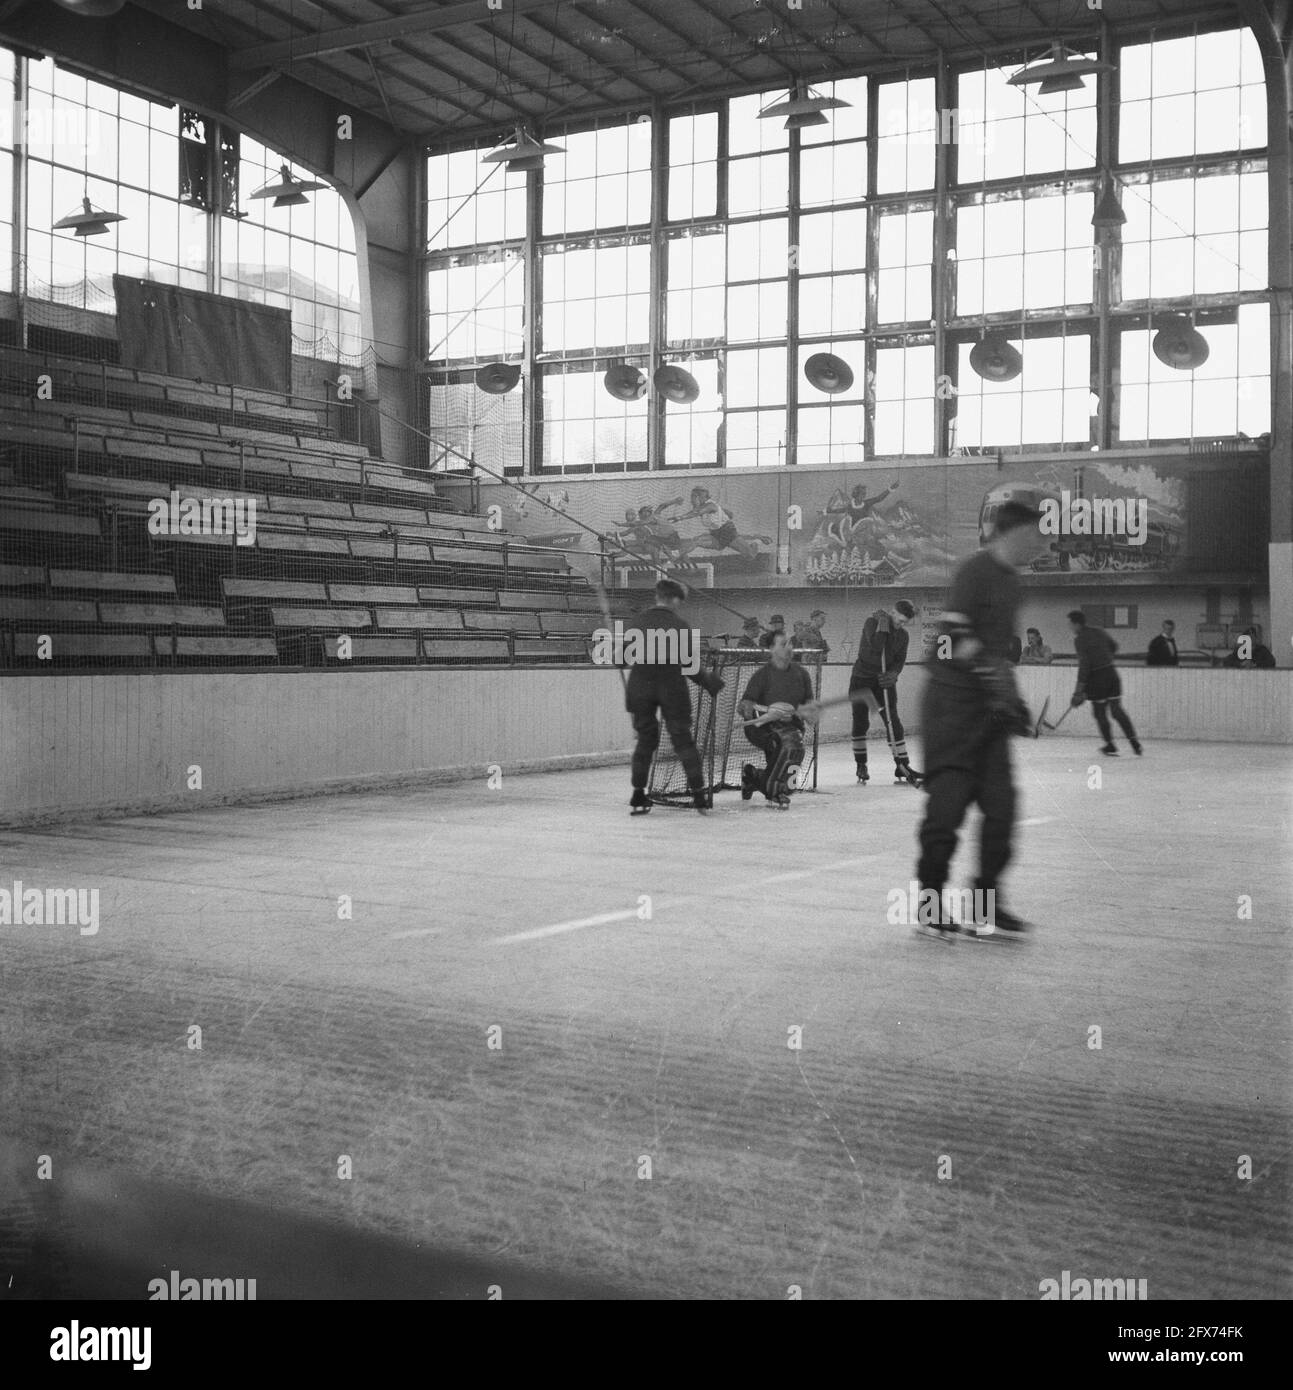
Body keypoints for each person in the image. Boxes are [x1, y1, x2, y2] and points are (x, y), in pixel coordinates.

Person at [915, 501, 1047, 941]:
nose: (1043, 542)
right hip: (950, 711)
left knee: (1002, 810)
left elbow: (996, 651)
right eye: (1038, 533)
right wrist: (992, 677)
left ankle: (983, 906)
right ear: (1016, 533)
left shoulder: (1013, 584)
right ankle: (931, 907)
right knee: (946, 813)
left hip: (987, 717)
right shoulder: (975, 571)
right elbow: (951, 641)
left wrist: (1011, 696)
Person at [622, 577, 724, 815]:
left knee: (645, 741)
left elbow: (621, 658)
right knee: (683, 740)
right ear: (675, 599)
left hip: (641, 688)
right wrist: (710, 682)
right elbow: (689, 664)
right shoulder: (680, 625)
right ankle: (699, 795)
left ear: (657, 596)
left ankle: (638, 794)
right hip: (671, 688)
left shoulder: (637, 622)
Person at [736, 631, 819, 809]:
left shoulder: (802, 674)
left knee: (789, 782)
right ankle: (775, 791)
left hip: (792, 729)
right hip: (762, 729)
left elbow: (809, 708)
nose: (789, 647)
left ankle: (751, 775)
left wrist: (810, 712)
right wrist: (752, 710)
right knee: (782, 744)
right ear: (772, 649)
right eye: (783, 644)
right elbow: (744, 707)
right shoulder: (762, 675)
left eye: (789, 643)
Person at [849, 599, 922, 786]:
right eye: (899, 620)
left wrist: (893, 674)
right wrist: (883, 628)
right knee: (861, 722)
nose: (900, 625)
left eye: (904, 622)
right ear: (893, 612)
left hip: (883, 683)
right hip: (862, 681)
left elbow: (899, 660)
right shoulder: (872, 623)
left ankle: (902, 764)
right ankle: (861, 765)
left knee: (893, 721)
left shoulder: (903, 635)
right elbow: (874, 648)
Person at [1068, 611, 1142, 757]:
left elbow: (1085, 665)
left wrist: (1078, 691)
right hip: (1111, 673)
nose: (1070, 627)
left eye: (1070, 624)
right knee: (1116, 710)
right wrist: (1104, 659)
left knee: (1099, 712)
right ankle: (1135, 742)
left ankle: (1110, 744)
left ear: (1077, 624)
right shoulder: (1099, 631)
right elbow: (1114, 647)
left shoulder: (1080, 639)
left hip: (1097, 678)